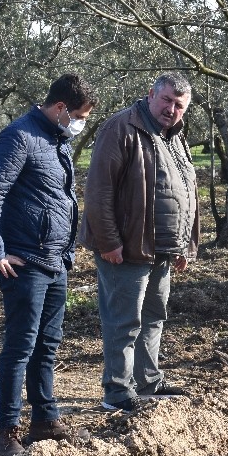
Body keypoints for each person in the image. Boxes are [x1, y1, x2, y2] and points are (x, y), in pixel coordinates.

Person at [0, 73, 98, 456]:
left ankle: (45, 420)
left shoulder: (55, 140)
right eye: (78, 115)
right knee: (21, 346)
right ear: (60, 108)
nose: (80, 123)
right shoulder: (20, 136)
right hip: (24, 261)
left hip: (56, 259)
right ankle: (7, 432)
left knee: (47, 346)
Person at [79, 71, 199, 412]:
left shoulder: (174, 136)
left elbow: (186, 191)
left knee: (154, 317)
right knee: (124, 320)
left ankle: (148, 381)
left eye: (179, 105)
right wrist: (108, 241)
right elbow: (99, 190)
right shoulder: (121, 128)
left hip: (161, 250)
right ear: (151, 95)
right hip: (126, 249)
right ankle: (117, 391)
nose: (171, 109)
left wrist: (184, 245)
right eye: (167, 101)